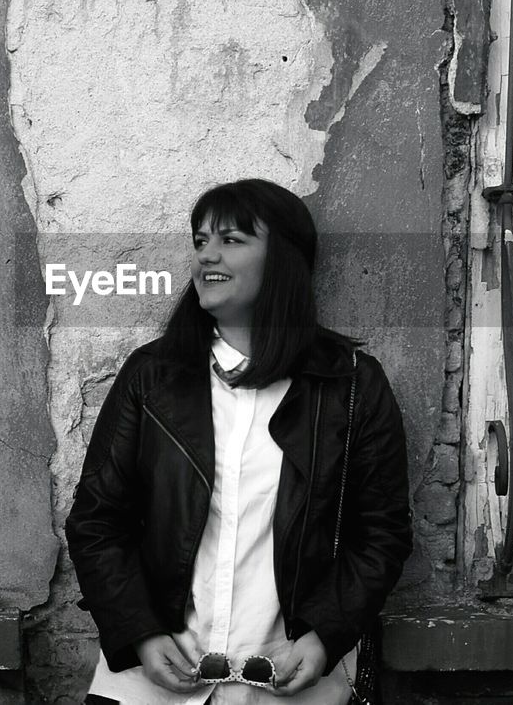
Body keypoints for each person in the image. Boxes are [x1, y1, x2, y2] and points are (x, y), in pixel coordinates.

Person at [66, 179, 413, 704]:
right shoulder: (152, 377)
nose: (207, 253)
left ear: (284, 260)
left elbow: (381, 533)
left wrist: (325, 636)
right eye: (200, 240)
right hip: (154, 679)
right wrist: (139, 629)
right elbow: (96, 520)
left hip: (290, 679)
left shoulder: (353, 386)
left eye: (231, 239)